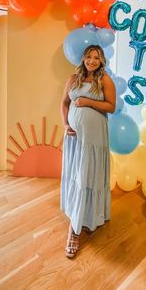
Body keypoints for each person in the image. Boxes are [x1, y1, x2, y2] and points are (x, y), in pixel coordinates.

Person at [60, 44, 116, 258]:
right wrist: (66, 125)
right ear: (83, 58)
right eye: (89, 56)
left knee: (88, 176)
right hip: (75, 139)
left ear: (101, 61)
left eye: (96, 57)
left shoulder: (104, 80)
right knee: (77, 176)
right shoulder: (73, 79)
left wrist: (88, 102)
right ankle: (75, 226)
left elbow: (111, 106)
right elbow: (64, 103)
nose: (92, 60)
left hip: (94, 139)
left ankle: (82, 222)